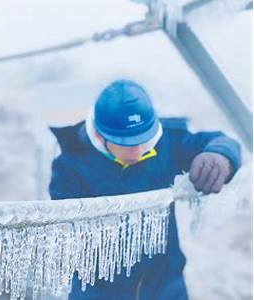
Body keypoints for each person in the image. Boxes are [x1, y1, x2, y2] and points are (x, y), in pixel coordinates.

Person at [49, 79, 241, 300]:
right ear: (101, 137)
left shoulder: (169, 140)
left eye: (143, 139)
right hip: (99, 291)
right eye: (127, 143)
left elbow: (223, 141)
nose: (138, 150)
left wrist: (220, 156)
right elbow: (69, 237)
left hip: (167, 287)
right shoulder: (70, 165)